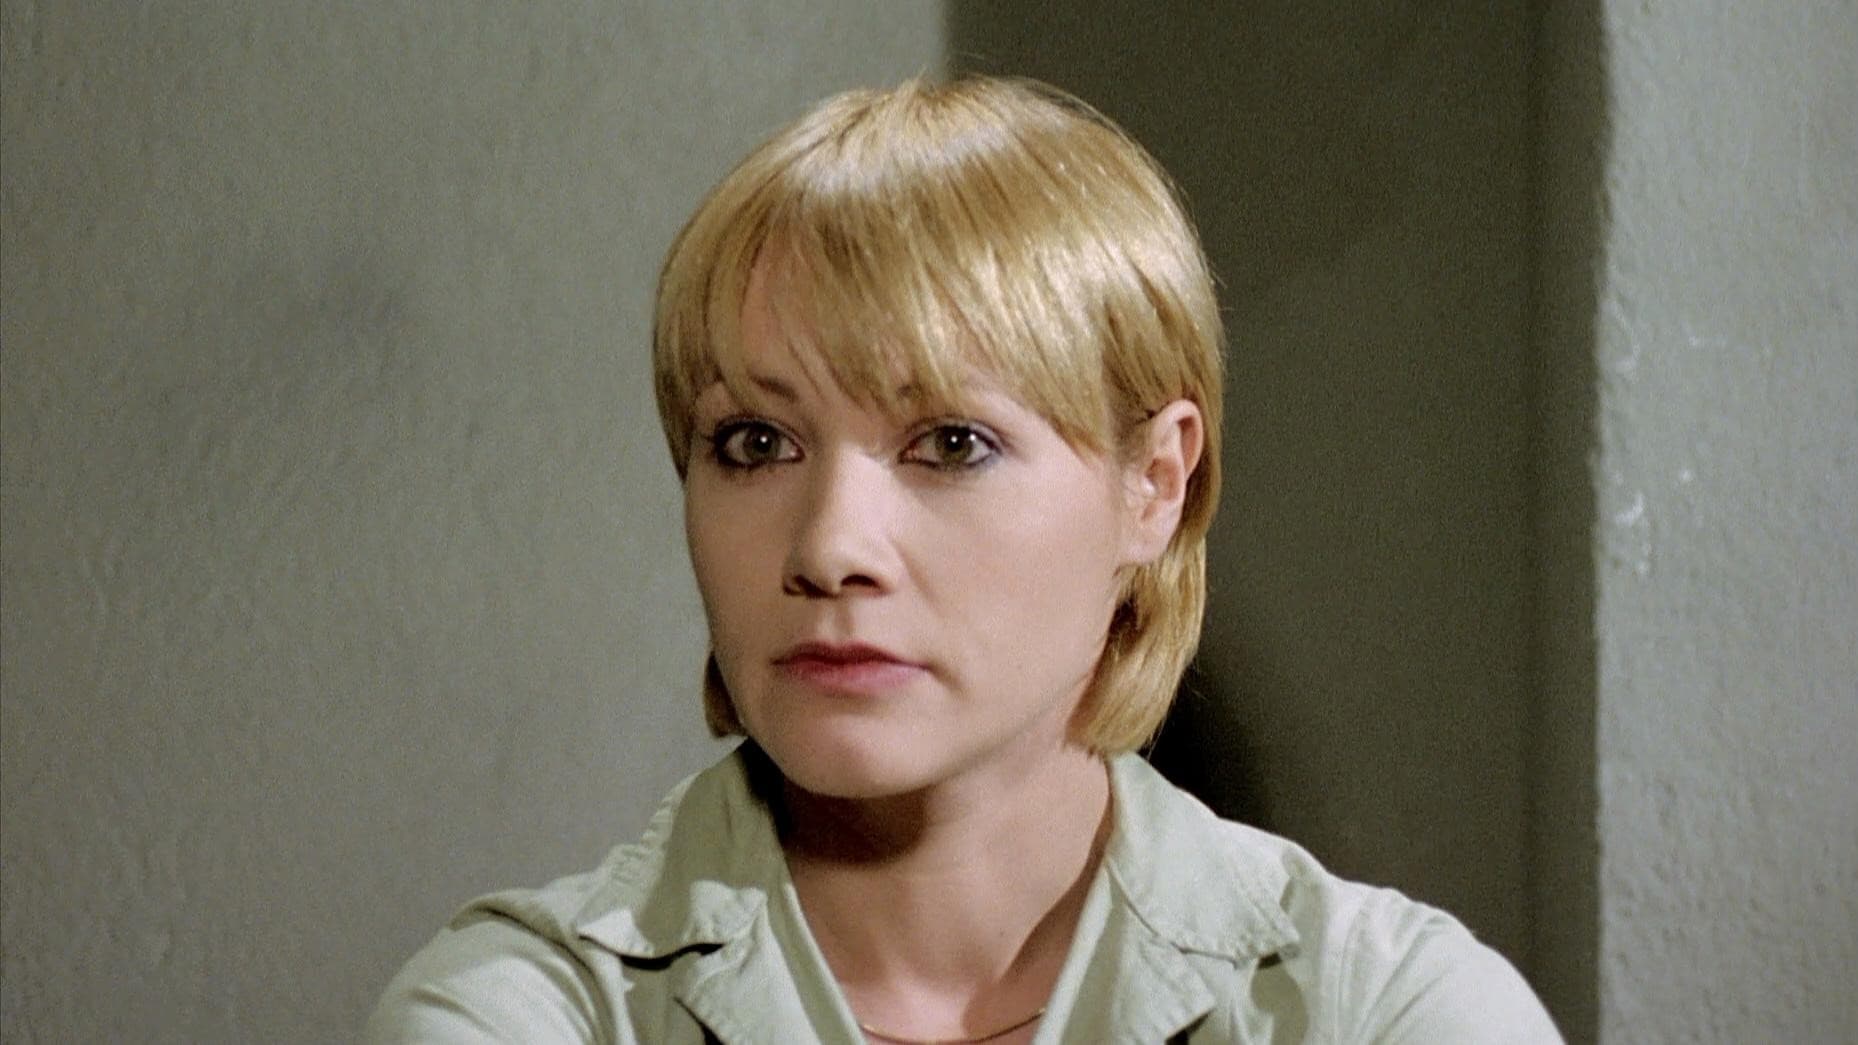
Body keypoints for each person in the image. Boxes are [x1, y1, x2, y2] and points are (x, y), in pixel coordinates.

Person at [367, 75, 1561, 1043]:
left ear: (1154, 484)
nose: (830, 547)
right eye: (755, 442)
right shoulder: (522, 1016)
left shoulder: (1385, 1013)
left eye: (950, 443)